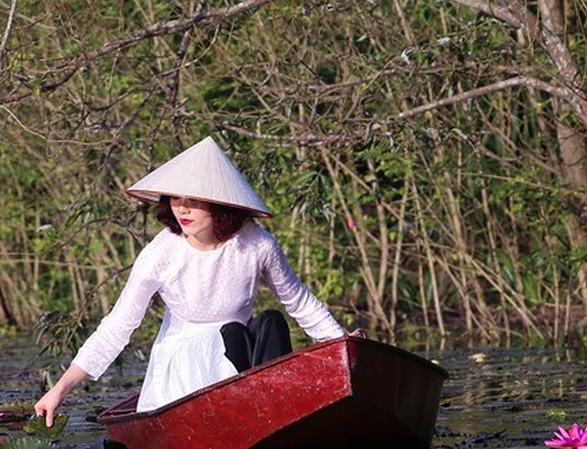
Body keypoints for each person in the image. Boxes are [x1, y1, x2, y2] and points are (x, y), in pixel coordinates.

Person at [35, 136, 352, 425]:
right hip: (185, 362)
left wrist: (344, 346)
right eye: (175, 198)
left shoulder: (257, 244)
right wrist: (61, 388)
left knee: (270, 321)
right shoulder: (160, 253)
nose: (182, 209)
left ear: (219, 204)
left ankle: (273, 416)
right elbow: (117, 325)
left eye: (194, 200)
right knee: (230, 336)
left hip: (242, 355)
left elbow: (299, 302)